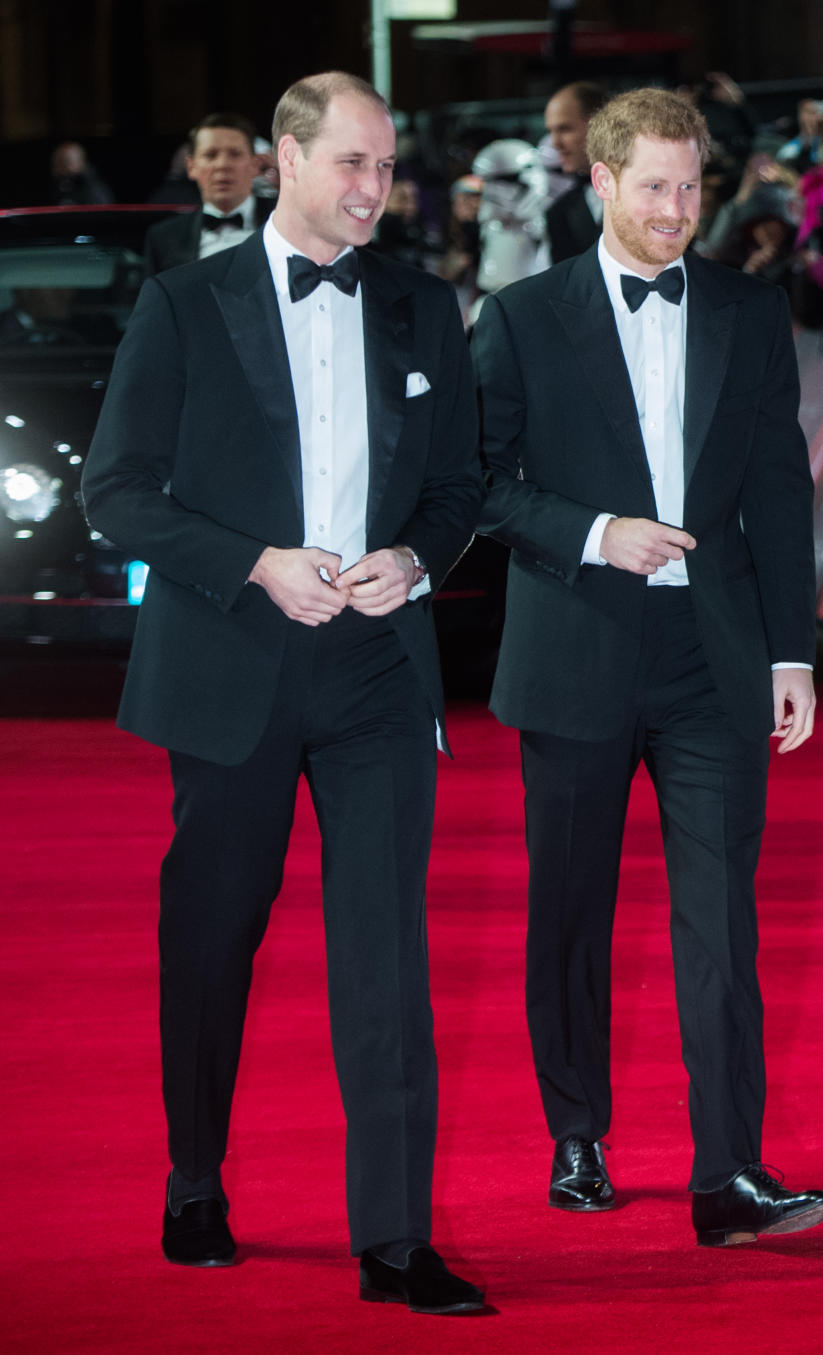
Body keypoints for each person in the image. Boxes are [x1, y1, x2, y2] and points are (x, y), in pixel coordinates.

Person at [82, 70, 485, 1315]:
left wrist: (412, 558)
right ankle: (194, 1177)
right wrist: (256, 563)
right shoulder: (185, 301)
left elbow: (460, 488)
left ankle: (396, 1237)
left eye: (387, 168)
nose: (375, 190)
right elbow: (119, 492)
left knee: (386, 957)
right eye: (352, 164)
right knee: (212, 940)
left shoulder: (424, 306)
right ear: (285, 160)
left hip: (375, 671)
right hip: (228, 669)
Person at [471, 86, 823, 1247]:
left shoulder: (748, 308)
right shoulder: (523, 315)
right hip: (576, 639)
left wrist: (793, 649)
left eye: (693, 188)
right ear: (603, 184)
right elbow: (478, 481)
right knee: (570, 909)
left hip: (714, 655)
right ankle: (577, 1132)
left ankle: (729, 1170)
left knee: (722, 920)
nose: (678, 210)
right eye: (657, 188)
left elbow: (781, 488)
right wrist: (595, 530)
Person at [143, 113, 270, 274]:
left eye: (235, 154)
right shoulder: (163, 238)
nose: (222, 165)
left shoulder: (287, 224)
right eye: (210, 155)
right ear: (191, 167)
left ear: (255, 164)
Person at [543, 82, 607, 262]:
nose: (555, 143)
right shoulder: (558, 212)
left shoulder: (652, 191)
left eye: (565, 129)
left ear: (600, 124)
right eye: (551, 131)